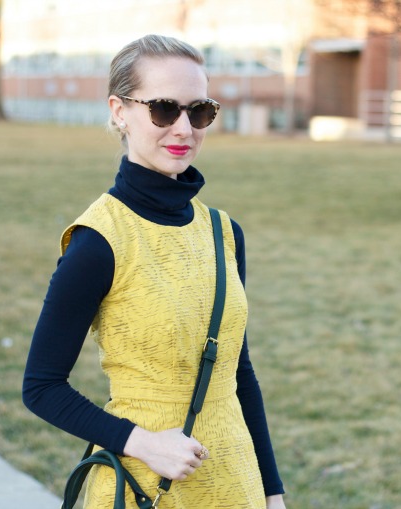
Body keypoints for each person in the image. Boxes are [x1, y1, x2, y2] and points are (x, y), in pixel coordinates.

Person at [23, 34, 286, 509]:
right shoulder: (98, 240)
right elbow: (41, 387)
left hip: (235, 484)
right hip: (143, 487)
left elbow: (238, 372)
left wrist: (272, 492)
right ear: (119, 111)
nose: (184, 129)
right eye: (164, 109)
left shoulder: (223, 232)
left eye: (199, 111)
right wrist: (142, 442)